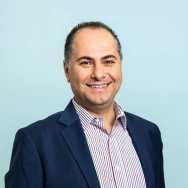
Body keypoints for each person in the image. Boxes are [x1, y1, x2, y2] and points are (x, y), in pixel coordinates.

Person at [5, 21, 165, 188]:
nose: (98, 74)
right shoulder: (35, 142)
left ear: (120, 65)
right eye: (86, 62)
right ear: (67, 70)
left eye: (108, 61)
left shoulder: (149, 134)